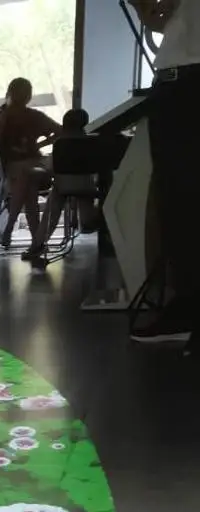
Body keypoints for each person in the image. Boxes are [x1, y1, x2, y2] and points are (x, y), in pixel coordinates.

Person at [129, 0, 200, 345]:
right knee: (176, 203)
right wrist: (145, 10)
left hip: (188, 84)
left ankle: (188, 309)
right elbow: (163, 22)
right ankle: (186, 307)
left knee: (182, 200)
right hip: (175, 82)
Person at [22, 108, 99, 270]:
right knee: (86, 202)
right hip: (86, 186)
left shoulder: (60, 143)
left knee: (52, 207)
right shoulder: (91, 142)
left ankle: (37, 245)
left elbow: (51, 169)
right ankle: (89, 222)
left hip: (63, 186)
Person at [0, 78, 60, 248]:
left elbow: (60, 130)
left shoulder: (31, 116)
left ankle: (10, 228)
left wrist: (39, 145)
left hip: (24, 169)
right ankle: (36, 238)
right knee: (28, 183)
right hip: (22, 170)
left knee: (26, 177)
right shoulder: (3, 116)